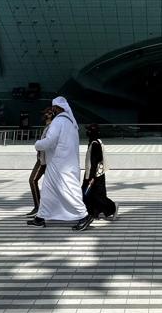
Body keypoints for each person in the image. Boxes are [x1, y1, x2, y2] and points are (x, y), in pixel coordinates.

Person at [27, 96, 88, 229]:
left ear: (56, 108)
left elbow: (49, 141)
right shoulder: (71, 122)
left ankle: (83, 215)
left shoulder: (58, 122)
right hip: (64, 163)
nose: (52, 110)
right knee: (48, 190)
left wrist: (37, 145)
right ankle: (40, 218)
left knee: (68, 190)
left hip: (59, 164)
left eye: (53, 107)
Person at [75, 124, 117, 230]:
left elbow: (94, 162)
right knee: (92, 195)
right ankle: (93, 213)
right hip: (94, 174)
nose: (87, 132)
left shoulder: (94, 144)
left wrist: (91, 178)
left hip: (93, 176)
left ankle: (112, 207)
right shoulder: (97, 142)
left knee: (90, 194)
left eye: (89, 131)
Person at [25, 106, 56, 217]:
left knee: (32, 180)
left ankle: (39, 207)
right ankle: (41, 207)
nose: (44, 115)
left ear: (51, 114)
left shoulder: (52, 127)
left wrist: (38, 145)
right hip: (43, 158)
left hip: (44, 160)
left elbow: (48, 143)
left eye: (46, 114)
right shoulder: (48, 126)